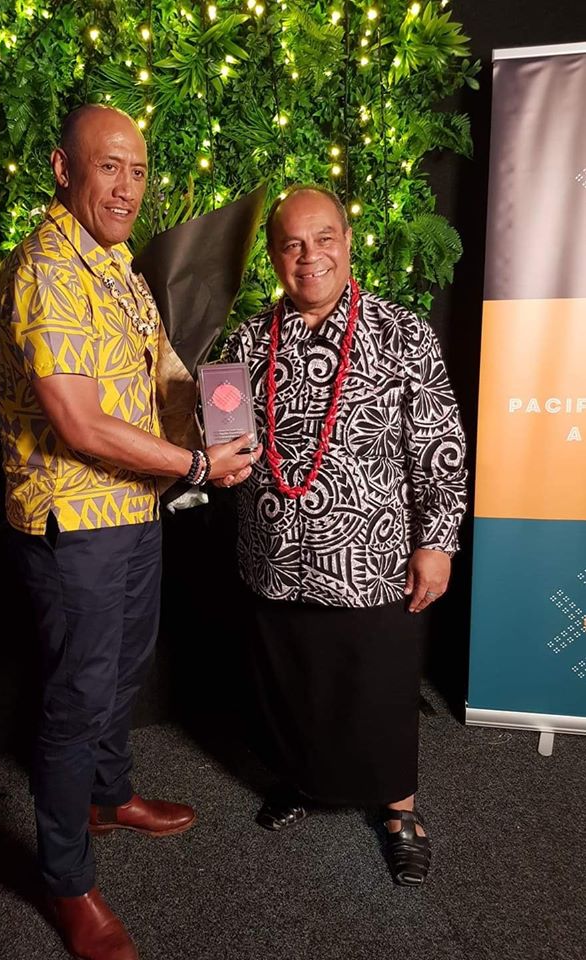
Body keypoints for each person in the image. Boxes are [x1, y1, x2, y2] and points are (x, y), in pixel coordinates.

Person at [0, 104, 259, 960]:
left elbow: (164, 373)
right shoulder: (47, 269)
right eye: (109, 167)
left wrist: (225, 413)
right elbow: (80, 422)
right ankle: (67, 881)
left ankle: (108, 796)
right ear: (63, 169)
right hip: (75, 522)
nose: (127, 187)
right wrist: (196, 466)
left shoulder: (117, 265)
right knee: (77, 696)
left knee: (126, 665)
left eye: (137, 171)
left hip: (134, 510)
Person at [220, 185, 467, 886]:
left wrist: (437, 541)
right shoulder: (245, 343)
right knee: (294, 683)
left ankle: (400, 810)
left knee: (378, 687)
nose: (310, 256)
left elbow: (440, 446)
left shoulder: (403, 333)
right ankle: (306, 779)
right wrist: (218, 456)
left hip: (372, 558)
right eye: (292, 244)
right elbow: (229, 441)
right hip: (275, 558)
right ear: (274, 256)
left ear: (348, 242)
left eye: (324, 238)